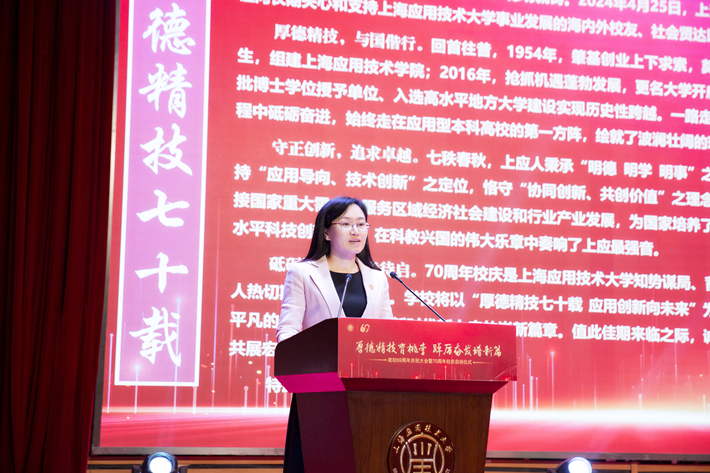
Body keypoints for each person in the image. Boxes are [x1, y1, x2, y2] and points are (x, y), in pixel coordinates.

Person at [276, 196, 394, 473]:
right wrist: (303, 363)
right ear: (326, 232)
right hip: (319, 389)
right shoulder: (303, 273)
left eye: (361, 224)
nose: (356, 231)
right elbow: (288, 330)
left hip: (367, 392)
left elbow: (388, 334)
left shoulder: (378, 278)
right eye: (346, 223)